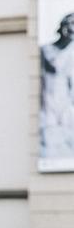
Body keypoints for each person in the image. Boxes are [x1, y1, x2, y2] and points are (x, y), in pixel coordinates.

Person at [40, 12, 74, 159]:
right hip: (49, 104)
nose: (70, 29)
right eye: (69, 24)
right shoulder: (45, 50)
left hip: (66, 106)